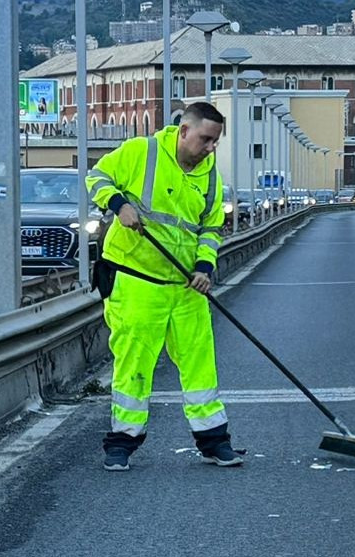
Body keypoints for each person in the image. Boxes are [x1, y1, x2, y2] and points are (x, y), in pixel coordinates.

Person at [84, 101, 238, 470]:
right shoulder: (142, 151)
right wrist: (119, 204)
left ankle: (215, 440)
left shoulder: (211, 175)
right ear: (184, 131)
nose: (210, 148)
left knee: (200, 364)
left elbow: (211, 228)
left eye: (216, 142)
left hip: (185, 286)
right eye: (205, 139)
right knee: (135, 364)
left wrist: (204, 266)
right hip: (138, 280)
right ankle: (121, 443)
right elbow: (97, 177)